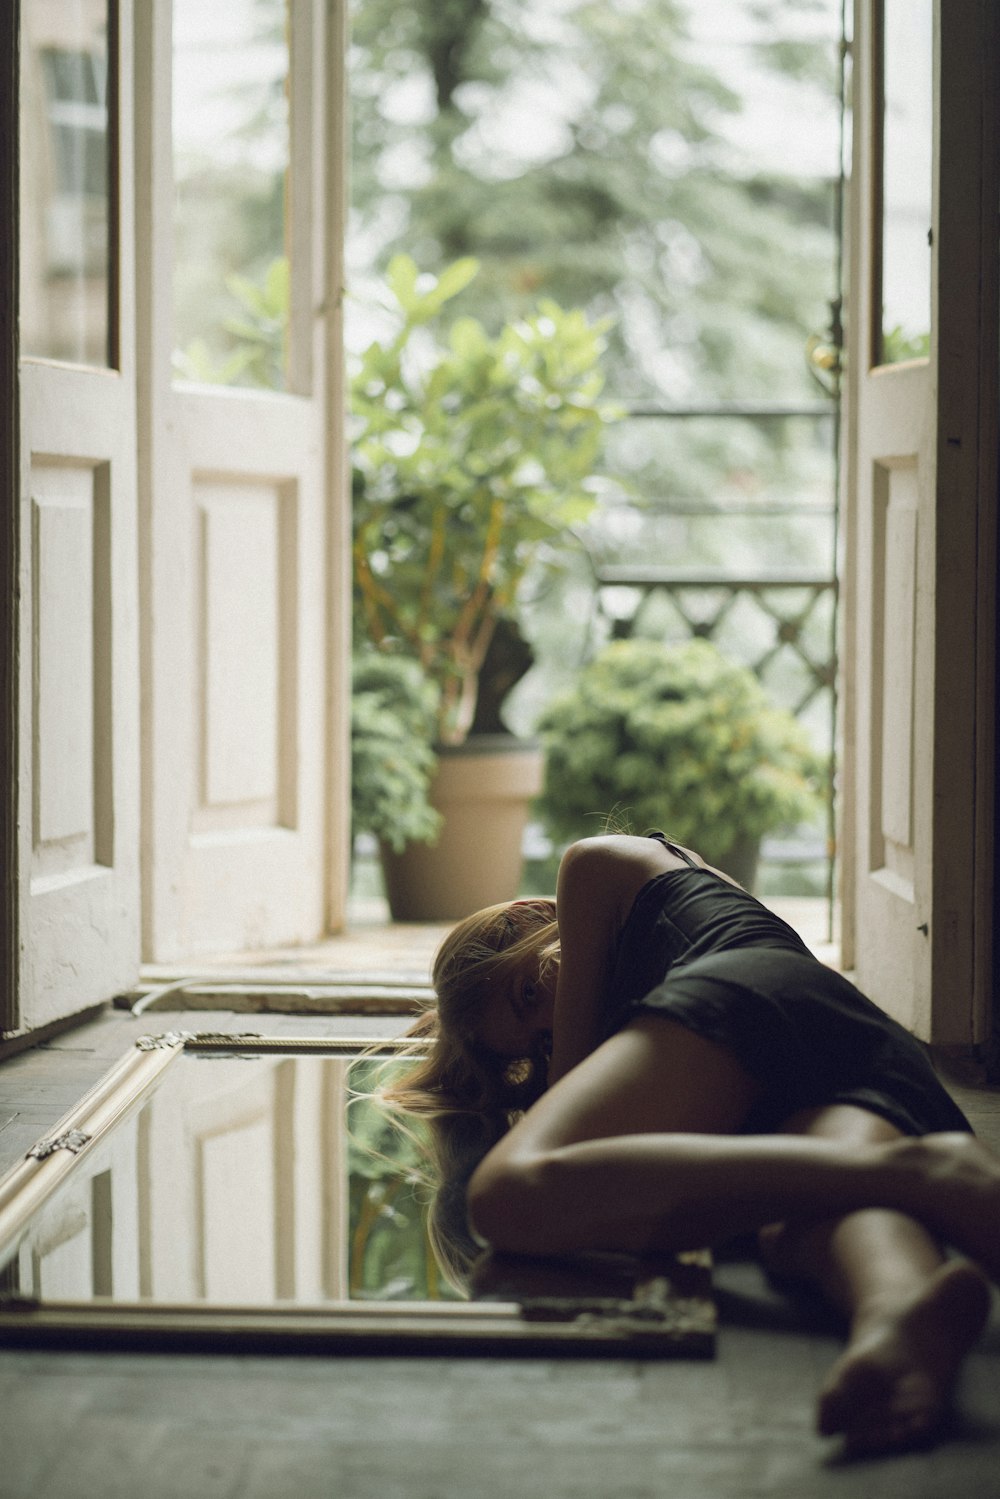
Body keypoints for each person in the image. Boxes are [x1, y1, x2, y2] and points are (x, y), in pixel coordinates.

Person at [385, 832, 1000, 1457]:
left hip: (749, 993)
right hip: (832, 1053)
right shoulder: (668, 1029)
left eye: (527, 995)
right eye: (535, 1045)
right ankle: (896, 1310)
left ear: (530, 917)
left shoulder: (596, 861)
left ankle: (922, 1173)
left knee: (508, 1196)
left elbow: (572, 1096)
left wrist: (547, 1080)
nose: (551, 1025)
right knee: (811, 1210)